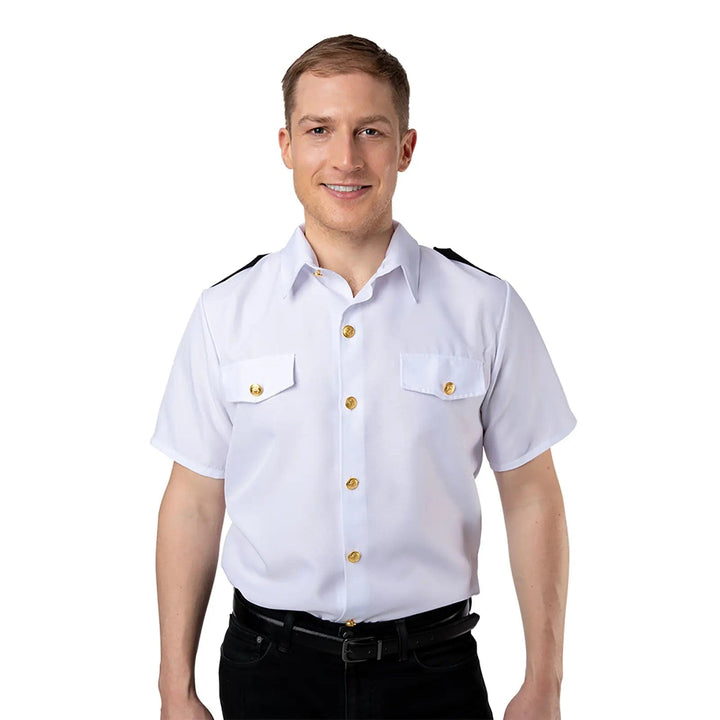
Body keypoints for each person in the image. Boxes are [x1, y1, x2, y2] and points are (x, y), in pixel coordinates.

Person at [152, 34, 576, 720]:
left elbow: (532, 497)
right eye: (320, 130)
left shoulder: (485, 308)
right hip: (269, 670)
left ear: (405, 148)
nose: (345, 158)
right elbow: (195, 502)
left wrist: (545, 682)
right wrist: (176, 687)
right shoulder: (224, 313)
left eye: (370, 131)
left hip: (433, 671)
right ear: (286, 145)